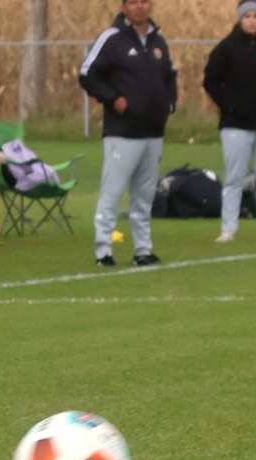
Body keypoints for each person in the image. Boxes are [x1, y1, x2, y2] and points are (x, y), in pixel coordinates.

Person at [79, 0, 177, 267]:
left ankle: (143, 250)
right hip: (122, 133)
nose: (139, 7)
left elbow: (170, 76)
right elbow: (87, 74)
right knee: (112, 194)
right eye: (133, 2)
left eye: (144, 1)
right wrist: (114, 99)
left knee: (144, 198)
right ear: (124, 7)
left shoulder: (158, 41)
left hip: (153, 132)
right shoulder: (112, 39)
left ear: (151, 5)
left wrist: (169, 104)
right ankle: (103, 251)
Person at [204, 1, 256, 243]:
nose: (252, 21)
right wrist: (229, 106)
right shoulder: (227, 47)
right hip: (235, 125)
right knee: (234, 178)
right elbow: (211, 80)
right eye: (247, 16)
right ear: (240, 19)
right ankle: (228, 228)